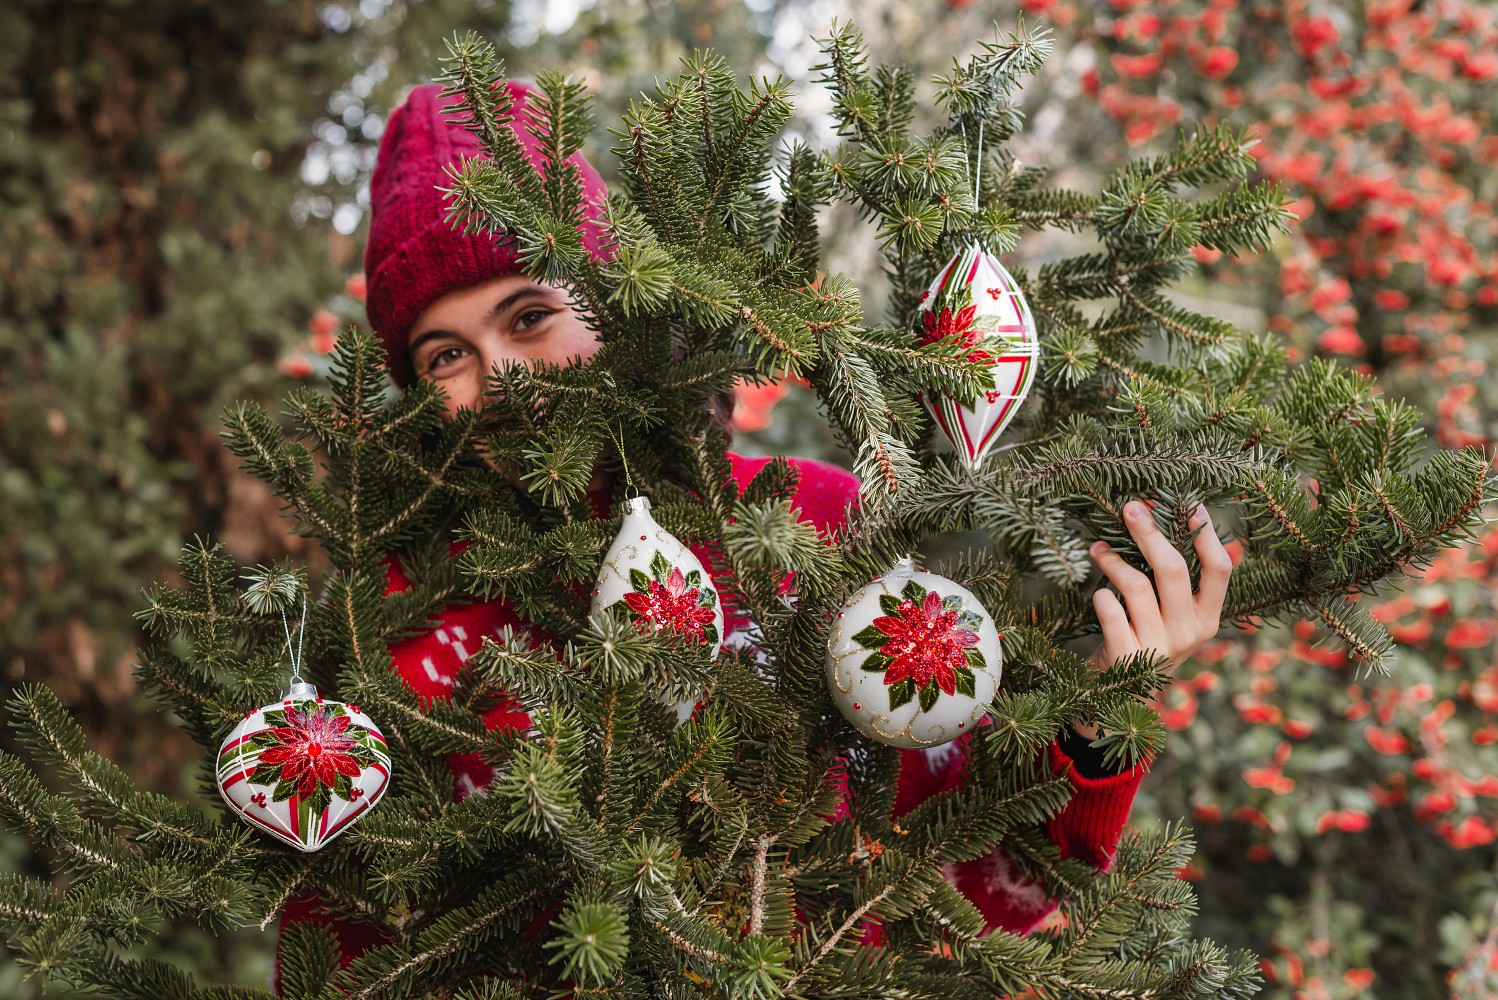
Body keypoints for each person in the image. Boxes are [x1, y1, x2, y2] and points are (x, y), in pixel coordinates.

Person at [275, 80, 1233, 988]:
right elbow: (344, 958)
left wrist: (1106, 719)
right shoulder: (389, 633)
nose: (504, 380)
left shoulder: (812, 522)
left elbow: (968, 882)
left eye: (530, 316)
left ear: (622, 307)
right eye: (447, 355)